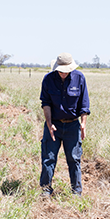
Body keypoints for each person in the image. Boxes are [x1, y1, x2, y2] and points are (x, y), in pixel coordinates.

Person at [39, 52, 90, 197]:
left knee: (74, 159)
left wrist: (83, 124)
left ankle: (76, 192)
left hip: (72, 127)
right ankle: (46, 190)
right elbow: (46, 103)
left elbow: (84, 104)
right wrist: (49, 124)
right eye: (61, 70)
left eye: (66, 71)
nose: (63, 73)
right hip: (53, 125)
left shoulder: (79, 78)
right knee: (48, 158)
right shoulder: (48, 79)